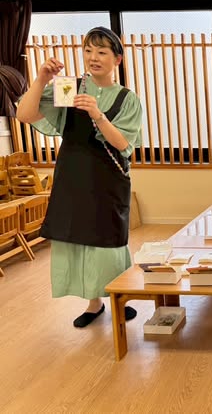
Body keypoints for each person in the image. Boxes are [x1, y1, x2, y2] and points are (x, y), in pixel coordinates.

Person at [17, 27, 143, 328]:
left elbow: (123, 144)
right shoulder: (69, 88)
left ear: (117, 60)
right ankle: (93, 302)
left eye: (101, 52)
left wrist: (98, 114)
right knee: (77, 238)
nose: (93, 57)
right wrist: (41, 80)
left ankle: (119, 296)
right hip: (73, 177)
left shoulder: (127, 98)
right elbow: (24, 114)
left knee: (108, 241)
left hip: (107, 180)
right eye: (88, 50)